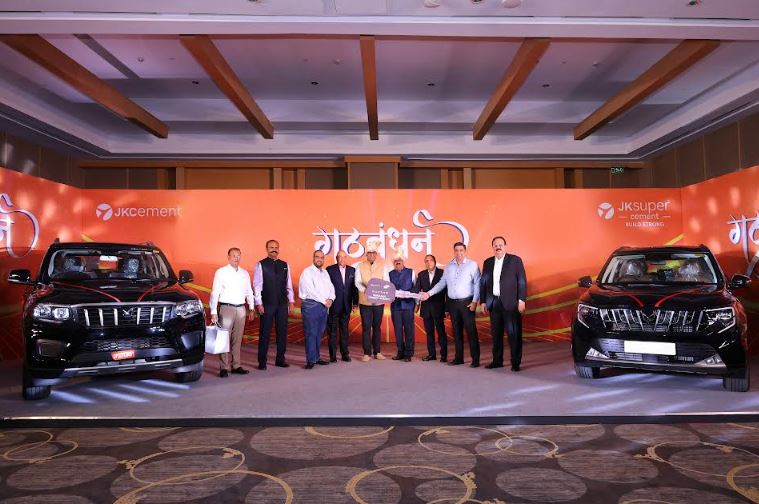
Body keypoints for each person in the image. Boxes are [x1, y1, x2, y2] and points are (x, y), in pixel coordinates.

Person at [422, 242, 481, 367]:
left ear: (465, 251)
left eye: (461, 250)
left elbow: (477, 283)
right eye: (456, 250)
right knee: (456, 332)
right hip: (453, 304)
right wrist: (429, 293)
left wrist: (475, 301)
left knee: (471, 332)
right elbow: (442, 283)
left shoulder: (472, 265)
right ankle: (459, 358)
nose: (459, 253)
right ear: (454, 252)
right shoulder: (449, 267)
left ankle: (475, 359)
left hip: (467, 303)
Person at [480, 236, 527, 372]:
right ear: (493, 247)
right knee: (496, 334)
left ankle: (515, 362)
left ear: (505, 246)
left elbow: (522, 281)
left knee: (514, 334)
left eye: (500, 245)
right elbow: (483, 283)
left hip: (511, 303)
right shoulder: (487, 262)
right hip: (493, 303)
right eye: (495, 245)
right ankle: (497, 361)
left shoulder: (515, 260)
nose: (498, 247)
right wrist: (483, 301)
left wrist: (521, 300)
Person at [209, 247, 256, 378]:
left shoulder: (244, 273)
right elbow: (215, 292)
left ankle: (236, 365)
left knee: (237, 339)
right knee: (224, 338)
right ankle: (223, 367)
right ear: (228, 257)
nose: (236, 258)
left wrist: (251, 307)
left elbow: (249, 291)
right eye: (234, 255)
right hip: (226, 308)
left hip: (241, 308)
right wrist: (213, 311)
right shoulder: (221, 272)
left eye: (238, 255)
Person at [253, 240, 295, 370]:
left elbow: (288, 284)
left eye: (276, 247)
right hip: (267, 304)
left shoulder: (285, 265)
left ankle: (280, 359)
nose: (274, 249)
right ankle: (262, 362)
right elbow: (257, 286)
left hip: (282, 304)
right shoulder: (261, 264)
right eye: (271, 247)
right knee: (265, 333)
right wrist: (259, 303)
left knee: (282, 332)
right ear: (267, 249)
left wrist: (291, 301)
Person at [354, 237, 391, 362]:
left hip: (378, 302)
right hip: (365, 301)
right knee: (366, 327)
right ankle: (366, 353)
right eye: (369, 253)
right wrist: (365, 290)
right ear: (366, 254)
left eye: (374, 253)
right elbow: (357, 282)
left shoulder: (383, 266)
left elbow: (387, 282)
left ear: (376, 254)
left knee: (377, 327)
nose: (372, 255)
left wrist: (381, 291)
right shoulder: (360, 266)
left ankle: (377, 352)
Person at [298, 250, 335, 369]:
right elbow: (310, 291)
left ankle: (316, 358)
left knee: (319, 334)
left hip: (324, 307)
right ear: (313, 258)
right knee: (311, 333)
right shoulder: (307, 272)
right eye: (317, 257)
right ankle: (310, 360)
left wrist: (331, 299)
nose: (319, 259)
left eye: (322, 257)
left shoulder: (325, 272)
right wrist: (325, 301)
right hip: (311, 306)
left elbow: (331, 287)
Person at [415, 254, 448, 362]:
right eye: (426, 261)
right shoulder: (421, 274)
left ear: (435, 262)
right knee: (429, 333)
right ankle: (431, 355)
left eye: (431, 260)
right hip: (426, 308)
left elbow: (447, 291)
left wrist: (447, 308)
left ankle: (444, 355)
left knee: (441, 332)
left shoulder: (442, 273)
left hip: (439, 307)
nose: (429, 262)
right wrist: (417, 304)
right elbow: (417, 291)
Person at [326, 250, 358, 362]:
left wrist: (355, 303)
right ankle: (333, 356)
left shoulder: (352, 270)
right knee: (332, 332)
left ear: (346, 258)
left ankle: (345, 354)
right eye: (340, 257)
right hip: (334, 305)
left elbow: (354, 288)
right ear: (336, 258)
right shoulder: (330, 270)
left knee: (344, 331)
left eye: (344, 257)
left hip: (346, 305)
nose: (342, 259)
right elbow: (326, 287)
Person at [389, 252, 417, 362]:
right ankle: (400, 352)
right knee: (398, 330)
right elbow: (387, 290)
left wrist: (417, 303)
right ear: (393, 263)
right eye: (395, 260)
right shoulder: (389, 274)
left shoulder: (411, 272)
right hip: (395, 306)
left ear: (403, 261)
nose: (397, 262)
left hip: (409, 305)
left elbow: (416, 288)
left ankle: (408, 353)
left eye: (399, 260)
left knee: (409, 329)